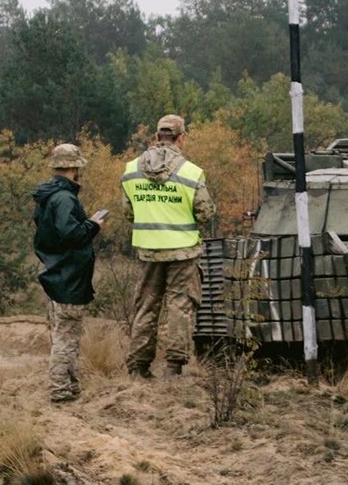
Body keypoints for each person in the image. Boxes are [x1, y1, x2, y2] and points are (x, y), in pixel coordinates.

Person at [121, 114, 215, 379]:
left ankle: (138, 367)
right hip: (183, 251)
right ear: (180, 138)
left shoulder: (131, 169)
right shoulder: (190, 172)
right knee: (179, 307)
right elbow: (205, 212)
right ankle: (173, 368)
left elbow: (129, 212)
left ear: (155, 137)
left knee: (146, 307)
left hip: (149, 251)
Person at [32, 143, 105, 403]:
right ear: (74, 167)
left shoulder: (49, 196)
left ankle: (72, 387)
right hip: (68, 276)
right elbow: (70, 233)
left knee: (67, 334)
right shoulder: (64, 198)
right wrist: (93, 225)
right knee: (66, 337)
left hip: (58, 272)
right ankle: (60, 390)